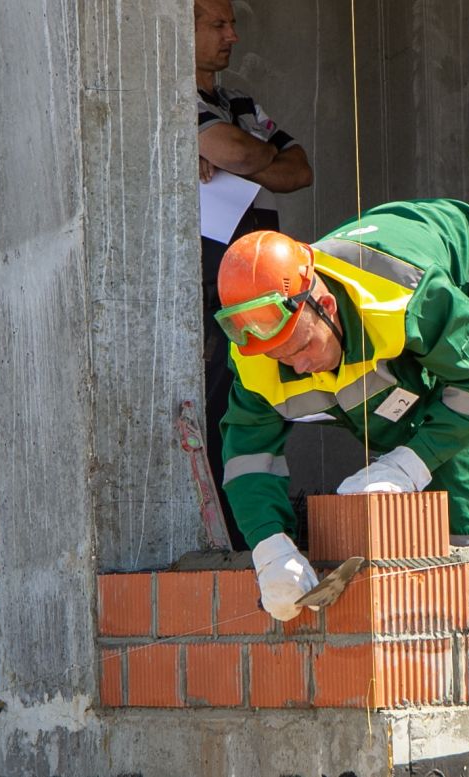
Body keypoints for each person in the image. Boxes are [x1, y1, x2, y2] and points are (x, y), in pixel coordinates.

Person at [213, 199, 469, 620]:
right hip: (402, 324)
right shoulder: (258, 353)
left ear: (325, 307)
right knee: (399, 427)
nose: (300, 367)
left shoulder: (396, 295)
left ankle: (468, 607)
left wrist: (407, 466)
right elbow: (247, 457)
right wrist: (269, 546)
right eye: (282, 358)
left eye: (304, 347)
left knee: (459, 464)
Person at [194, 0, 313, 548]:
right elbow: (237, 151)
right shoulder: (170, 98)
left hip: (259, 274)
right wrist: (246, 154)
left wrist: (243, 154)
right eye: (218, 24)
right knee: (218, 399)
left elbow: (299, 169)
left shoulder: (234, 100)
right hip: (206, 279)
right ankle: (236, 533)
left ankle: (261, 524)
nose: (233, 36)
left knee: (264, 390)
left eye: (231, 24)